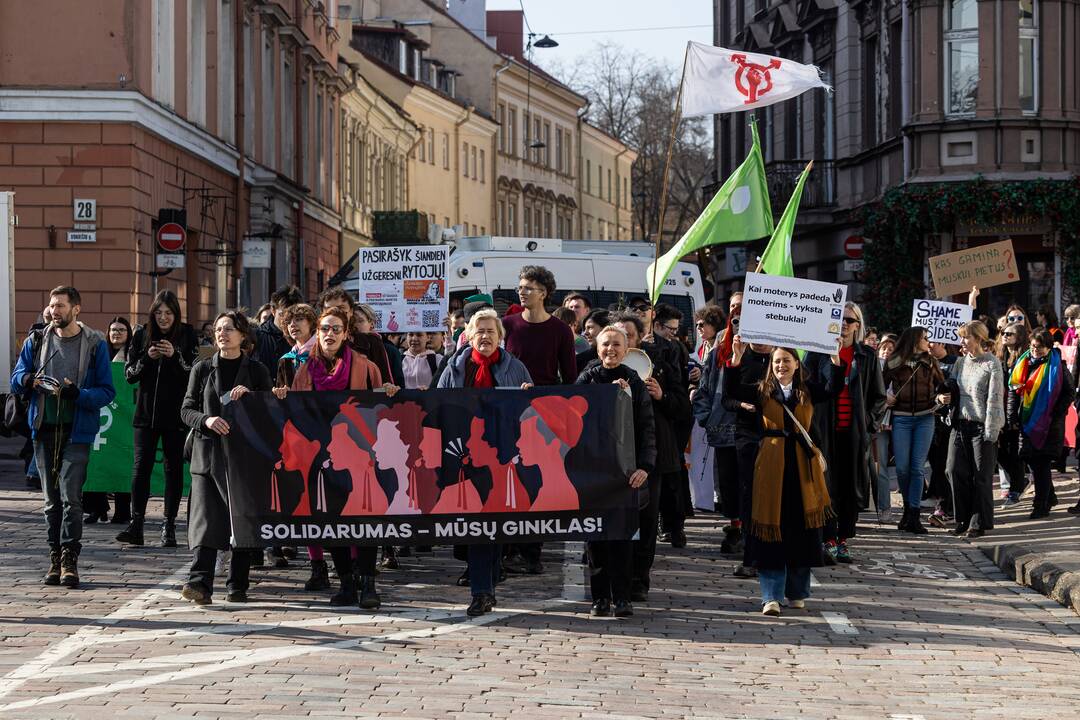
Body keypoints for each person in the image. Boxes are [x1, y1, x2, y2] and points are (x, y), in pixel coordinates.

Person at [273, 307, 400, 608]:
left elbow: (381, 406)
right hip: (323, 458)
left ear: (346, 334)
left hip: (362, 456)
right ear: (317, 332)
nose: (329, 334)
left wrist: (390, 391)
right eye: (325, 329)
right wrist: (283, 397)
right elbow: (298, 413)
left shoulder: (365, 367)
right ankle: (346, 583)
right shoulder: (306, 371)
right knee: (331, 522)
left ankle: (367, 584)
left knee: (365, 520)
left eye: (336, 329)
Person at [724, 340, 843, 616]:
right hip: (771, 465)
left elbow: (833, 388)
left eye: (787, 360)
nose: (781, 365)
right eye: (777, 361)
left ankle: (797, 591)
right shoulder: (762, 391)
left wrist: (835, 359)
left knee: (802, 529)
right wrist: (736, 357)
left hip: (802, 466)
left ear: (797, 364)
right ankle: (771, 595)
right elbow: (731, 391)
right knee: (771, 527)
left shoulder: (806, 391)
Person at [10, 285, 116, 588]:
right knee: (51, 501)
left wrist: (76, 393)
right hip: (43, 428)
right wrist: (29, 379)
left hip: (76, 430)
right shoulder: (37, 339)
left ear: (76, 309)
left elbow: (107, 392)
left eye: (61, 306)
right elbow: (16, 378)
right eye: (52, 306)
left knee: (71, 498)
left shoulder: (94, 343)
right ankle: (54, 559)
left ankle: (71, 560)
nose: (55, 311)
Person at [437, 308, 533, 616]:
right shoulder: (453, 367)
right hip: (467, 455)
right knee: (479, 523)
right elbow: (437, 405)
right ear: (469, 335)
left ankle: (488, 580)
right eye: (480, 331)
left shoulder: (515, 368)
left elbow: (530, 410)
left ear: (500, 337)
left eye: (491, 331)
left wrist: (527, 396)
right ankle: (481, 591)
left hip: (503, 455)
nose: (485, 337)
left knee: (495, 524)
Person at [179, 310, 270, 604]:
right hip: (207, 454)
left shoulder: (257, 371)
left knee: (239, 519)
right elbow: (186, 409)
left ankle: (237, 583)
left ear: (243, 335)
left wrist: (253, 398)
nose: (222, 333)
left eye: (229, 328)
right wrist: (205, 420)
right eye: (218, 329)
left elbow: (270, 413)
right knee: (205, 519)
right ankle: (199, 583)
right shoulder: (202, 368)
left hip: (243, 458)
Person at [575, 325, 655, 617]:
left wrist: (645, 467)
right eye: (605, 344)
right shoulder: (587, 378)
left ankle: (622, 597)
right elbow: (570, 414)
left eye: (616, 345)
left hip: (626, 472)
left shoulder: (634, 381)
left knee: (623, 537)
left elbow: (647, 427)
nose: (611, 349)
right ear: (597, 349)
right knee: (596, 539)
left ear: (626, 350)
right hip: (595, 471)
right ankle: (600, 598)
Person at [502, 265, 577, 575]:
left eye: (529, 287)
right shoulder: (506, 325)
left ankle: (532, 552)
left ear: (545, 293)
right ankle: (509, 549)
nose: (523, 291)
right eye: (520, 286)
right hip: (507, 410)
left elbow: (570, 378)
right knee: (510, 480)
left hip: (542, 416)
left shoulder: (560, 330)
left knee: (535, 481)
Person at [610, 312, 686, 598]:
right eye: (617, 336)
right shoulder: (598, 367)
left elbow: (681, 407)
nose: (622, 342)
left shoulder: (661, 365)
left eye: (628, 335)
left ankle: (639, 580)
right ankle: (613, 578)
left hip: (650, 454)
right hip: (614, 454)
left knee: (646, 519)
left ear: (639, 336)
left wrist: (661, 396)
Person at [804, 302, 886, 564]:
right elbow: (807, 386)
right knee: (827, 485)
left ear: (857, 325)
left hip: (853, 431)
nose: (843, 324)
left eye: (849, 320)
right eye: (838, 319)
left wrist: (868, 425)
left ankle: (843, 539)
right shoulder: (817, 352)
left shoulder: (867, 356)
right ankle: (827, 537)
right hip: (824, 429)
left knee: (850, 485)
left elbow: (878, 396)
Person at [117, 290, 199, 548]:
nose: (163, 318)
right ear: (152, 313)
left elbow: (193, 372)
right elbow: (129, 374)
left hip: (176, 415)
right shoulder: (141, 334)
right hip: (145, 414)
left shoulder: (187, 334)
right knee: (140, 467)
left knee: (173, 469)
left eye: (168, 313)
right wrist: (147, 358)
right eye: (159, 312)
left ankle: (169, 525)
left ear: (176, 314)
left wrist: (175, 355)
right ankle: (136, 523)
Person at [943, 321, 1005, 538]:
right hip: (960, 424)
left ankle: (977, 523)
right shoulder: (959, 363)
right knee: (953, 469)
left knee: (981, 475)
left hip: (982, 426)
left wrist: (991, 431)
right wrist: (941, 396)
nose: (962, 342)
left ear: (978, 338)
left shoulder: (992, 363)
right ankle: (962, 518)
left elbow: (995, 399)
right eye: (961, 337)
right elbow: (949, 388)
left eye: (966, 337)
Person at [882, 327, 944, 534]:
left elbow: (941, 387)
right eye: (925, 338)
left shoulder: (931, 362)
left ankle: (914, 514)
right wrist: (885, 396)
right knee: (902, 468)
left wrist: (940, 399)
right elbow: (878, 387)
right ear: (914, 340)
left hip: (925, 418)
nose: (928, 341)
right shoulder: (895, 361)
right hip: (901, 419)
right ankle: (908, 509)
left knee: (917, 468)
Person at [1008, 330, 1075, 519]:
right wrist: (1012, 416)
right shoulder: (1023, 363)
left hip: (1049, 424)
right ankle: (1050, 496)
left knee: (1041, 463)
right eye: (1032, 346)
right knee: (1032, 461)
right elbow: (1014, 390)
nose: (1034, 350)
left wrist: (1055, 412)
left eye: (1039, 347)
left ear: (1048, 347)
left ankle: (1041, 505)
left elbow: (1069, 392)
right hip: (1027, 420)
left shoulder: (1058, 367)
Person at [84, 316, 134, 524]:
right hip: (101, 414)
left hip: (123, 418)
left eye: (121, 330)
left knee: (123, 462)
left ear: (128, 333)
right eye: (113, 329)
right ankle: (96, 508)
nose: (117, 333)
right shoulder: (99, 352)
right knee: (96, 462)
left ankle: (123, 510)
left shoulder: (133, 355)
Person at [997, 323, 1031, 506]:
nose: (1004, 336)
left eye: (1009, 333)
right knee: (1000, 452)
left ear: (1019, 337)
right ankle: (1021, 482)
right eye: (1003, 333)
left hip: (1019, 412)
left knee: (1015, 453)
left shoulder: (1025, 359)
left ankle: (1016, 489)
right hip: (1002, 411)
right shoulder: (1001, 357)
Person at [871, 333, 898, 524]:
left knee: (881, 468)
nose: (886, 352)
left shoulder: (898, 370)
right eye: (884, 348)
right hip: (867, 421)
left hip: (885, 424)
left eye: (891, 349)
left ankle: (884, 508)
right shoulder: (870, 367)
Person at [254, 286, 303, 376]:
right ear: (273, 310)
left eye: (293, 314)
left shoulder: (305, 338)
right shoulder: (257, 336)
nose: (288, 319)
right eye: (283, 314)